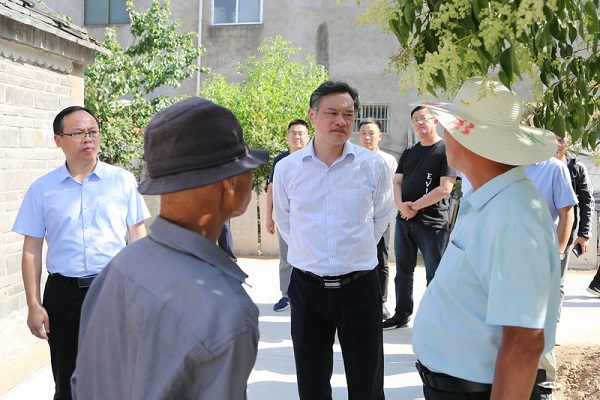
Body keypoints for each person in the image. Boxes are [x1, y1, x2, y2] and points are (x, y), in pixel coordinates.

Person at [71, 97, 268, 399]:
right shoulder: (226, 313)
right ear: (230, 183)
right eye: (248, 167)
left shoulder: (120, 266)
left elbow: (82, 381)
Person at [412, 77, 561, 400]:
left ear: (467, 137)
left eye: (449, 125)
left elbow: (524, 342)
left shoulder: (513, 215)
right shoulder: (491, 200)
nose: (444, 133)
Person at [11, 106, 150, 400]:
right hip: (63, 295)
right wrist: (34, 305)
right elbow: (32, 249)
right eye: (78, 133)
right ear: (58, 140)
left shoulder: (122, 181)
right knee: (67, 383)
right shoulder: (42, 189)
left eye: (92, 131)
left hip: (113, 290)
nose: (88, 138)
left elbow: (137, 236)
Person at [273, 81, 395, 400]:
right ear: (312, 115)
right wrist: (311, 253)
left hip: (360, 287)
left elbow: (382, 214)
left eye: (348, 114)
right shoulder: (287, 169)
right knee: (311, 383)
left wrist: (353, 250)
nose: (341, 121)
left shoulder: (373, 165)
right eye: (332, 113)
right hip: (307, 288)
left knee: (367, 384)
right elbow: (285, 220)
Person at [383, 105, 458, 330]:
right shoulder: (409, 152)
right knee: (403, 272)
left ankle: (437, 320)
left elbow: (445, 188)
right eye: (415, 119)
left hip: (432, 222)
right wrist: (401, 206)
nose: (419, 123)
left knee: (435, 274)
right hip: (405, 220)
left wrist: (415, 206)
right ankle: (401, 315)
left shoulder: (445, 150)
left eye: (424, 118)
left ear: (435, 121)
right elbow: (397, 182)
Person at [266, 119, 310, 312]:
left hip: (310, 219)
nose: (297, 136)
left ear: (308, 137)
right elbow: (272, 189)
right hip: (287, 218)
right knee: (286, 257)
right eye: (293, 133)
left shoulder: (315, 158)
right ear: (287, 136)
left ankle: (308, 295)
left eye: (301, 133)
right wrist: (269, 217)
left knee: (310, 257)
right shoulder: (280, 161)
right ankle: (286, 295)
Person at [358, 117, 398, 319]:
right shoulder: (353, 159)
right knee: (357, 261)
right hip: (358, 219)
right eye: (363, 133)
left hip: (381, 217)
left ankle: (381, 301)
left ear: (380, 136)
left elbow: (392, 190)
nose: (367, 137)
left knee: (381, 260)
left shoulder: (388, 160)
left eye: (371, 133)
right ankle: (360, 301)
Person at [553, 135, 598, 297]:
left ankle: (554, 314)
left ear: (568, 142)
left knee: (557, 283)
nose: (558, 144)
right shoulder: (537, 166)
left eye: (561, 140)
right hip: (538, 231)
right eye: (554, 139)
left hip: (564, 232)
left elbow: (587, 201)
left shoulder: (575, 168)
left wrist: (584, 234)